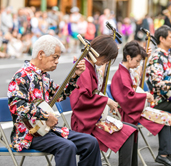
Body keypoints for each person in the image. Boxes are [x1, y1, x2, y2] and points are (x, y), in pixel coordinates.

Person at [7, 35, 102, 166]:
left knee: (90, 142)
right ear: (41, 54)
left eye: (58, 57)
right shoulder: (21, 76)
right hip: (28, 134)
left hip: (47, 131)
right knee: (67, 147)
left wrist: (75, 76)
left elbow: (60, 95)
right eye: (55, 57)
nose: (57, 61)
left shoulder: (44, 77)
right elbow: (17, 106)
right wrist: (46, 117)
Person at [69, 35, 138, 166]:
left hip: (91, 116)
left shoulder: (91, 67)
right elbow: (82, 100)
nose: (106, 61)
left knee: (133, 129)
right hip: (85, 121)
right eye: (106, 57)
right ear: (100, 52)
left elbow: (94, 91)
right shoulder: (83, 69)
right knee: (128, 133)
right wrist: (106, 100)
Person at [111, 40, 171, 166]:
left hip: (133, 107)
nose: (138, 64)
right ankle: (165, 154)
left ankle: (167, 153)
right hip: (129, 110)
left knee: (166, 117)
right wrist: (145, 95)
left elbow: (131, 92)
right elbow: (128, 97)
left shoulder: (125, 71)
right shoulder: (122, 74)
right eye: (137, 61)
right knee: (165, 117)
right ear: (128, 57)